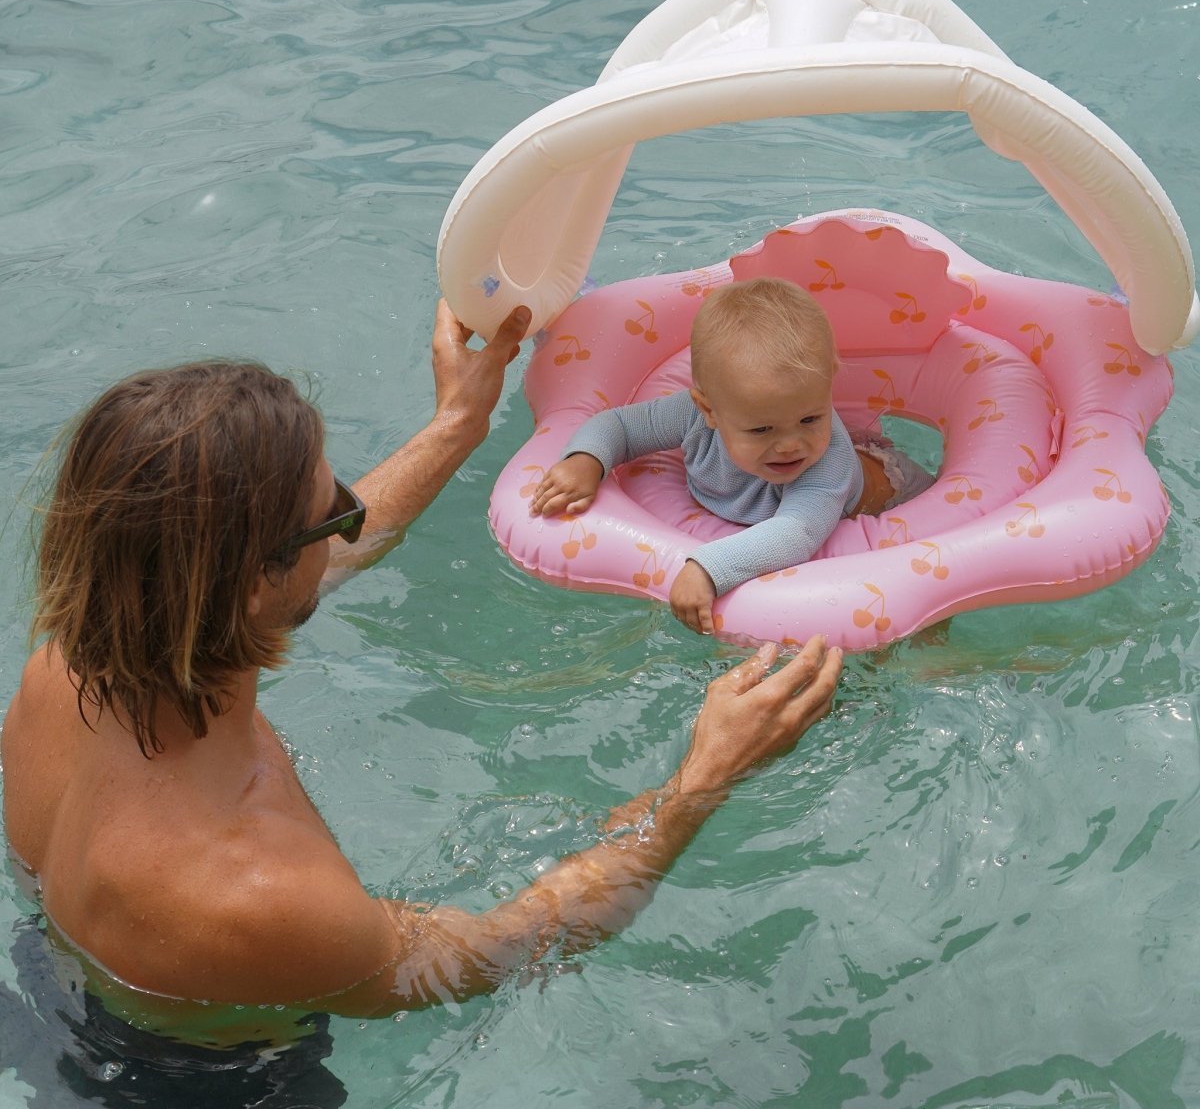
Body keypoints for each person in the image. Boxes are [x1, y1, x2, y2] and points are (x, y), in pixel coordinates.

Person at [2, 299, 843, 1056]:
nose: (349, 517)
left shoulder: (72, 670)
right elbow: (500, 952)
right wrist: (705, 777)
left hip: (49, 979)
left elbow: (315, 560)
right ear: (255, 582)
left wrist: (458, 423)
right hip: (203, 1078)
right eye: (332, 505)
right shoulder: (253, 893)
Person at [531, 276, 936, 634]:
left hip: (896, 494)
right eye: (762, 430)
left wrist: (709, 568)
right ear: (709, 410)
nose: (791, 444)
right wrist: (585, 461)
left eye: (811, 418)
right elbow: (618, 426)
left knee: (907, 624)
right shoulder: (691, 416)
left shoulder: (826, 464)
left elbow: (797, 532)